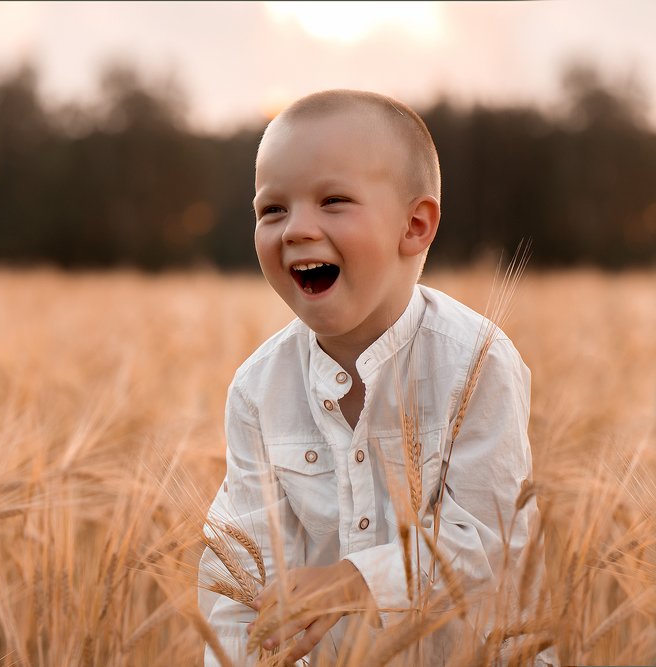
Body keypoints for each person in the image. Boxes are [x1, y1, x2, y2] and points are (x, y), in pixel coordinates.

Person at [198, 90, 547, 665]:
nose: (294, 229)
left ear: (414, 225)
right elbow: (242, 578)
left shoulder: (475, 362)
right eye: (272, 210)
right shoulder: (259, 391)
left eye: (333, 200)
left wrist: (354, 581)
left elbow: (490, 546)